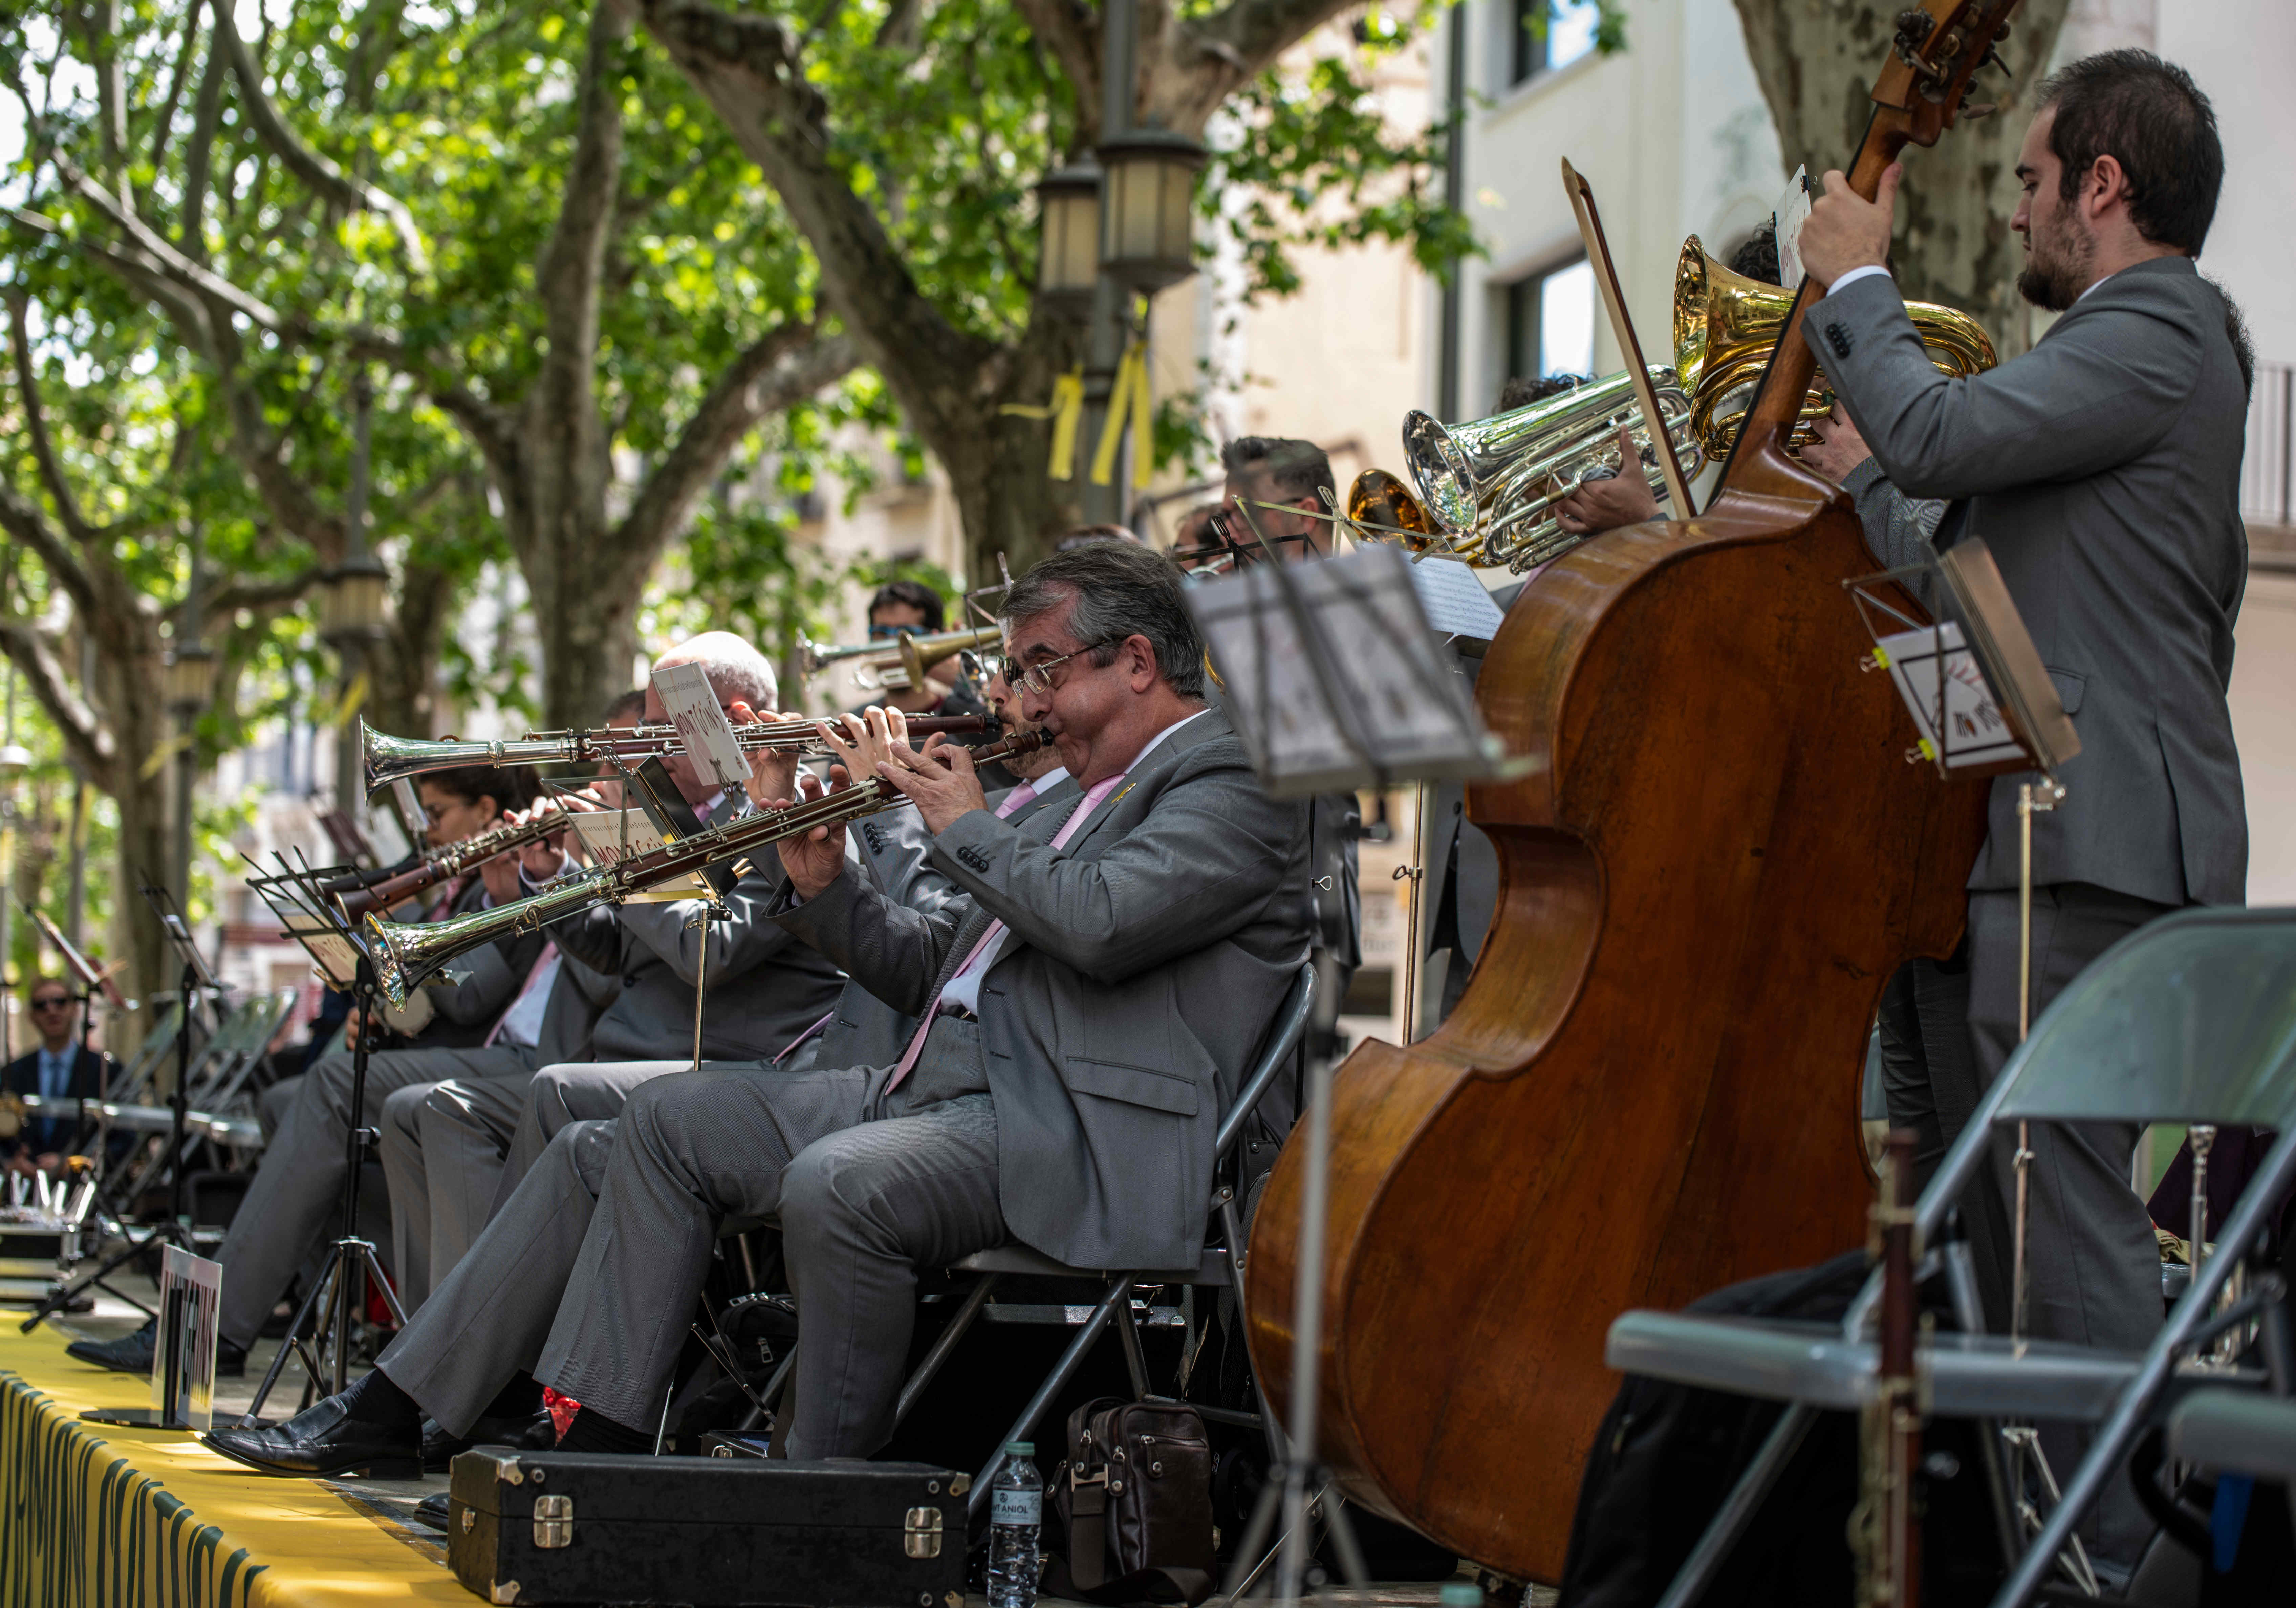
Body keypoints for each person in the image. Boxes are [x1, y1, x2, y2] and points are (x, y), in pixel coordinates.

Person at [202, 540, 1314, 1477]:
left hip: (1070, 1122)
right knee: (657, 1122)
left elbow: (1103, 922)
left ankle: (816, 1504)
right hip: (934, 1084)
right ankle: (565, 1442)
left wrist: (965, 822)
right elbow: (932, 966)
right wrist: (826, 883)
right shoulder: (1074, 788)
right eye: (1017, 672)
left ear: (1134, 661)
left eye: (1040, 671)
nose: (1018, 701)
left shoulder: (1236, 779)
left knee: (843, 1186)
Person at [1796, 49, 2248, 1565]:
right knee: (1992, 1235)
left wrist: (1857, 282)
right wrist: (1865, 486)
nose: (2009, 217)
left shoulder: (2162, 329)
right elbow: (1966, 582)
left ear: (2101, 188)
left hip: (2084, 841)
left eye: (2026, 181)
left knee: (2060, 1239)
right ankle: (2038, 1552)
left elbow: (1934, 438)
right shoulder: (2109, 366)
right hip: (2013, 836)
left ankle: (2125, 1562)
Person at [374, 636, 846, 1300]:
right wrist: (552, 874)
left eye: (661, 725)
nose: (646, 744)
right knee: (438, 1109)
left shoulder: (781, 808)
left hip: (721, 1068)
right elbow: (617, 953)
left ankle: (488, 1334)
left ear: (732, 721)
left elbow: (707, 952)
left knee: (546, 1092)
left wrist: (629, 857)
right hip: (630, 1049)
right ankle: (454, 1337)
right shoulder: (679, 815)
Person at [65, 758, 546, 1379]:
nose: (428, 831)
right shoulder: (459, 890)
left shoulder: (514, 882)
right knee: (280, 1102)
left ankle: (215, 1328)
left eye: (437, 814)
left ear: (485, 812)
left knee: (325, 1088)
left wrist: (387, 938)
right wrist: (379, 1007)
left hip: (489, 1073)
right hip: (441, 1064)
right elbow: (434, 1004)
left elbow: (474, 998)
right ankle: (319, 1314)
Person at [1, 980, 112, 1175]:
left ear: (76, 1009)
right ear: (32, 1017)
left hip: (83, 1194)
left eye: (60, 1002)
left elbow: (122, 1142)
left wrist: (74, 1164)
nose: (51, 1011)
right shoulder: (11, 1073)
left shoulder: (105, 1071)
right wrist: (9, 1165)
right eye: (41, 1005)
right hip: (24, 1192)